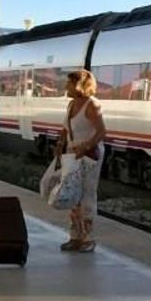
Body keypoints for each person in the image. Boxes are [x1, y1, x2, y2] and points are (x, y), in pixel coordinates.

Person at [56, 69, 106, 252]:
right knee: (73, 193)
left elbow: (102, 131)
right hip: (72, 153)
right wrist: (60, 144)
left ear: (79, 85)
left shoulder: (92, 105)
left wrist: (86, 147)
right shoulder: (71, 104)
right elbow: (65, 127)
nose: (66, 86)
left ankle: (88, 238)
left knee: (87, 194)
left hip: (89, 154)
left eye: (69, 83)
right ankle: (75, 236)